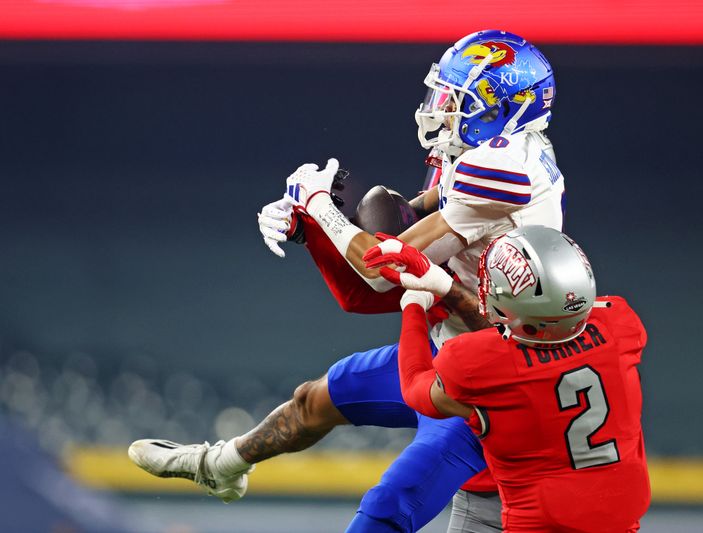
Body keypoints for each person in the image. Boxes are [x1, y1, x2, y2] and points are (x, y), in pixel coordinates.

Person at [129, 29, 564, 532]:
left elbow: (383, 269)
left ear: (505, 106)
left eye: (457, 100)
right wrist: (308, 226)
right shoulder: (487, 154)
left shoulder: (502, 169)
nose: (439, 109)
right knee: (314, 400)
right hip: (453, 344)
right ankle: (219, 467)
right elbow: (400, 227)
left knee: (387, 508)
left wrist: (317, 205)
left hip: (490, 378)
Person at [364, 225, 650, 532]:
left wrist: (413, 307)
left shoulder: (476, 362)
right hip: (620, 523)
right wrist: (443, 285)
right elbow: (541, 337)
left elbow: (414, 386)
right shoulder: (620, 323)